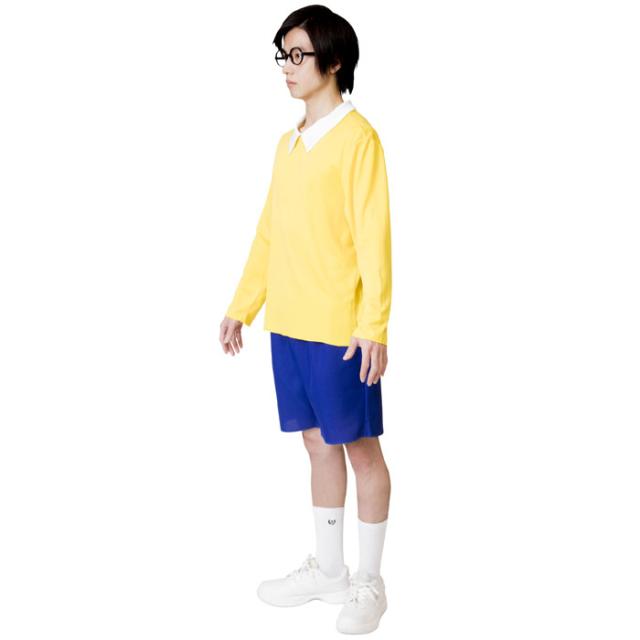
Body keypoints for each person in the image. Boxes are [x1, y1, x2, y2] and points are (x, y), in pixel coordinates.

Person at [219, 5, 392, 634]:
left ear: (333, 61)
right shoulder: (288, 144)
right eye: (283, 56)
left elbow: (374, 239)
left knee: (361, 450)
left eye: (299, 55)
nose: (287, 68)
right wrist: (243, 305)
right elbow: (270, 232)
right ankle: (329, 571)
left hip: (342, 331)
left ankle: (369, 581)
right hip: (289, 325)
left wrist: (374, 325)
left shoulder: (358, 140)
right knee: (316, 444)